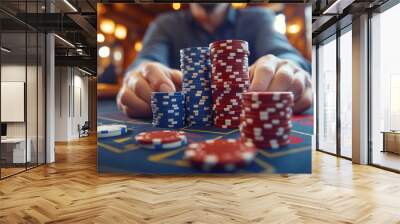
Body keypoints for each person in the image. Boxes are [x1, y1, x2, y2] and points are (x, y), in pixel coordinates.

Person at [117, 3, 312, 118]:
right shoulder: (165, 24)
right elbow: (147, 60)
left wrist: (289, 69)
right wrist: (139, 76)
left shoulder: (260, 18)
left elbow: (284, 54)